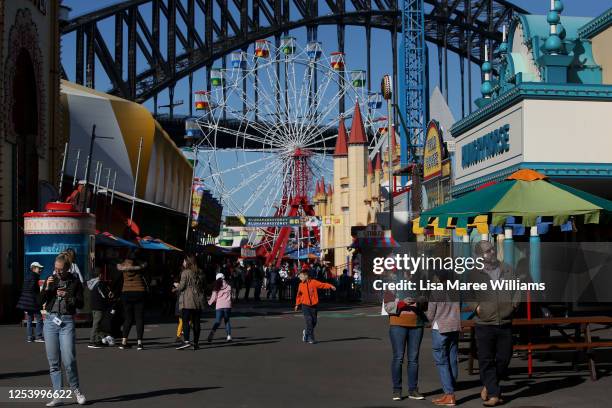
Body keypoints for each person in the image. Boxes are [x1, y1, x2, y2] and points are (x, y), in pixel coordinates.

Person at [468, 240, 520, 407]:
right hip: (484, 322)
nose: (491, 252)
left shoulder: (507, 268)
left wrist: (514, 305)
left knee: (505, 357)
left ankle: (489, 385)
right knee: (485, 359)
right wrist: (476, 308)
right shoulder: (473, 273)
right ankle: (494, 394)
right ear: (479, 255)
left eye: (492, 249)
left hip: (504, 320)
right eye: (486, 251)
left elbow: (517, 288)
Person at [40, 253, 86, 406]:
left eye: (60, 270)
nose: (57, 272)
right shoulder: (50, 279)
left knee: (69, 359)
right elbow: (39, 301)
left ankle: (76, 390)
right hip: (51, 321)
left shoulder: (74, 281)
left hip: (66, 322)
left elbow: (80, 304)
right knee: (53, 362)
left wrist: (68, 297)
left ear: (68, 268)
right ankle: (57, 395)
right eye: (55, 269)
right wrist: (46, 288)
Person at [383, 286, 426, 402]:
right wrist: (402, 303)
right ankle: (397, 390)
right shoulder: (392, 286)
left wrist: (420, 302)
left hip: (417, 325)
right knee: (398, 357)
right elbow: (387, 307)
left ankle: (413, 390)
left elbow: (426, 305)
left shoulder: (421, 284)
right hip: (397, 325)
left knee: (414, 359)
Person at [426, 275, 461, 407]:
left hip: (440, 328)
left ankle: (449, 394)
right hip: (454, 328)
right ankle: (449, 391)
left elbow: (430, 315)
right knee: (452, 360)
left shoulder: (436, 291)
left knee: (441, 361)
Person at [294, 271, 336, 344]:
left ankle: (306, 332)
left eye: (301, 276)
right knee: (309, 321)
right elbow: (299, 295)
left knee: (314, 322)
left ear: (306, 276)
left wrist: (330, 286)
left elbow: (322, 285)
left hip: (314, 305)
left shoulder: (313, 282)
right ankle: (311, 338)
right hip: (305, 305)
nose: (300, 278)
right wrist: (297, 304)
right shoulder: (300, 285)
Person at [117, 253, 147, 350]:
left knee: (128, 318)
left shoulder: (123, 266)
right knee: (139, 318)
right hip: (139, 292)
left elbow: (118, 267)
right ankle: (139, 343)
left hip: (126, 292)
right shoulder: (140, 266)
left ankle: (123, 342)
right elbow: (145, 265)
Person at [176, 255, 206, 350]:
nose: (183, 263)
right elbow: (204, 286)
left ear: (188, 262)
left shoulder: (185, 272)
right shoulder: (200, 272)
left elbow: (182, 287)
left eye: (184, 261)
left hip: (188, 300)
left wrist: (177, 285)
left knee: (185, 320)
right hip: (198, 300)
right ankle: (196, 343)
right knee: (196, 322)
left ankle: (187, 341)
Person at [17, 261, 45, 343]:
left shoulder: (27, 276)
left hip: (26, 301)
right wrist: (38, 300)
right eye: (39, 268)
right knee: (39, 318)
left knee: (29, 319)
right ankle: (38, 336)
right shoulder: (34, 277)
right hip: (32, 301)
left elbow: (25, 288)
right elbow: (33, 289)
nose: (40, 270)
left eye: (41, 269)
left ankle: (30, 337)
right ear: (33, 268)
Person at [87, 270, 113, 348]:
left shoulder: (91, 283)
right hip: (99, 306)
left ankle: (98, 340)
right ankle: (92, 341)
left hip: (93, 306)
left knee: (97, 324)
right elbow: (104, 295)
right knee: (96, 324)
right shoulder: (99, 284)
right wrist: (109, 296)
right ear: (99, 275)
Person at [207, 273, 233, 342]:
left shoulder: (216, 286)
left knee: (217, 321)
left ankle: (211, 334)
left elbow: (214, 297)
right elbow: (231, 296)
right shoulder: (229, 286)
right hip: (228, 306)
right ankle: (229, 336)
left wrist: (209, 302)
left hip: (219, 306)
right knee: (227, 321)